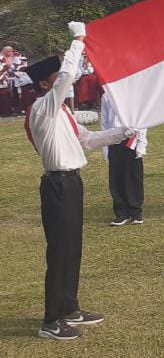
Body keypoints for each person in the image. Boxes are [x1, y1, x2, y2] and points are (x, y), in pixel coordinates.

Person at [25, 22, 135, 341]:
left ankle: (68, 307)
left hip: (72, 183)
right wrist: (78, 40)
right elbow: (68, 75)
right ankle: (51, 320)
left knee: (72, 249)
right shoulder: (43, 108)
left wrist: (121, 133)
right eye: (58, 78)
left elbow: (85, 140)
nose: (66, 82)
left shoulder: (62, 112)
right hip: (58, 185)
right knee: (60, 251)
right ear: (47, 84)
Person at [101, 92, 148, 226]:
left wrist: (142, 144)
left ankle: (135, 212)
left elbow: (142, 120)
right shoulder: (106, 96)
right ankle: (121, 212)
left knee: (133, 176)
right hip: (114, 140)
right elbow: (105, 122)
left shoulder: (135, 94)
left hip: (132, 139)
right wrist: (105, 146)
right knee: (116, 178)